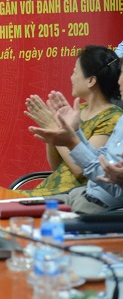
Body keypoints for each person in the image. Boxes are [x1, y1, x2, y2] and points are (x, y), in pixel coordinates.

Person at [18, 46, 122, 196]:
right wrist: (53, 132)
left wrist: (53, 126)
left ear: (91, 81)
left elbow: (80, 169)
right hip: (51, 189)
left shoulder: (113, 117)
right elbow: (57, 166)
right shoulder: (78, 110)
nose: (71, 77)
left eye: (75, 72)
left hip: (73, 196)